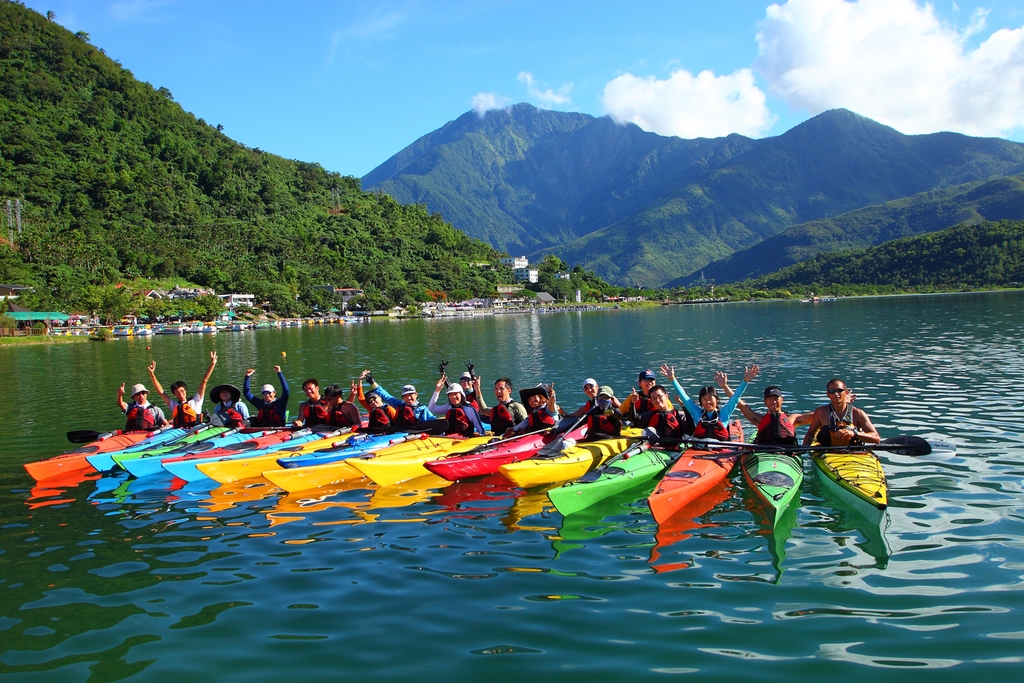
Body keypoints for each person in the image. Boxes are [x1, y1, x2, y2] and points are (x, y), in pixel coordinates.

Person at [719, 368, 813, 446]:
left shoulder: (793, 419)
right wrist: (725, 386)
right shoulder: (759, 419)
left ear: (782, 400)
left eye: (776, 398)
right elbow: (739, 403)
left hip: (786, 454)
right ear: (765, 402)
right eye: (770, 399)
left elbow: (817, 415)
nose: (773, 401)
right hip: (765, 452)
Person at [660, 363, 754, 441]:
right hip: (701, 450)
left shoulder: (724, 413)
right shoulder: (697, 413)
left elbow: (735, 397)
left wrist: (745, 381)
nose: (707, 401)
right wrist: (673, 379)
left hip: (720, 451)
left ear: (716, 399)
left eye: (710, 398)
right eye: (704, 399)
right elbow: (684, 396)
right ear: (701, 401)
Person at [147, 351, 217, 428]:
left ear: (185, 390)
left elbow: (204, 381)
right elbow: (161, 392)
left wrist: (212, 364)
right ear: (174, 394)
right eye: (177, 392)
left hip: (195, 429)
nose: (180, 393)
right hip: (180, 430)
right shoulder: (175, 405)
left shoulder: (196, 400)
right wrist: (152, 375)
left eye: (182, 391)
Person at [803, 378, 880, 446]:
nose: (836, 394)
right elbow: (810, 434)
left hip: (853, 453)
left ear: (846, 393)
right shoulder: (821, 412)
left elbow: (876, 438)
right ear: (828, 394)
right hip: (827, 453)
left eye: (839, 391)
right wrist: (804, 449)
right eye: (832, 391)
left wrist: (854, 434)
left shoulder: (858, 413)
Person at [360, 370, 433, 428]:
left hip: (416, 436)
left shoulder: (423, 410)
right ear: (403, 398)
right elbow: (387, 397)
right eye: (405, 396)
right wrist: (372, 383)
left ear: (416, 395)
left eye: (411, 395)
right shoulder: (400, 406)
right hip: (401, 434)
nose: (409, 398)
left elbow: (434, 423)